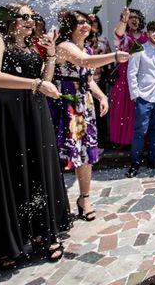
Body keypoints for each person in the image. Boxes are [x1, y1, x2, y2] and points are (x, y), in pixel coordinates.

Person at [0, 3, 69, 269]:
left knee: (39, 170)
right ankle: (10, 243)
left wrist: (50, 57)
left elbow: (45, 80)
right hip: (7, 115)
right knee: (9, 174)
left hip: (35, 112)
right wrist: (36, 84)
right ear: (9, 18)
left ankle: (46, 234)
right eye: (24, 16)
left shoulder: (32, 46)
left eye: (33, 17)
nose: (30, 21)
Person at [49, 11, 129, 221]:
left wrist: (102, 96)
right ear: (69, 26)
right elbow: (85, 62)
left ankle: (84, 198)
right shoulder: (64, 46)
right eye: (80, 22)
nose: (85, 25)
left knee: (84, 152)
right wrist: (114, 56)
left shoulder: (86, 48)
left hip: (83, 105)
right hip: (64, 105)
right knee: (62, 152)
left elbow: (88, 77)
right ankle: (55, 202)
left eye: (87, 22)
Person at [126, 21, 155, 177]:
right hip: (144, 96)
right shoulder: (138, 48)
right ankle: (135, 163)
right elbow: (131, 72)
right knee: (140, 131)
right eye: (154, 32)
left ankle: (153, 160)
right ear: (148, 32)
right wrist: (135, 94)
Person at [109, 7, 148, 146]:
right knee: (125, 111)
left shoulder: (146, 36)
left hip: (144, 79)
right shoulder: (123, 37)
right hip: (125, 80)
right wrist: (123, 20)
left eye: (136, 17)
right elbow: (118, 33)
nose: (134, 19)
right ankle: (125, 141)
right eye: (131, 17)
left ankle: (143, 141)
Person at [86, 13, 113, 147]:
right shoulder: (83, 42)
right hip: (86, 81)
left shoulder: (103, 40)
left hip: (100, 79)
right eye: (91, 22)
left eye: (95, 22)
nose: (93, 24)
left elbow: (108, 59)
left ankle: (102, 141)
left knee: (101, 112)